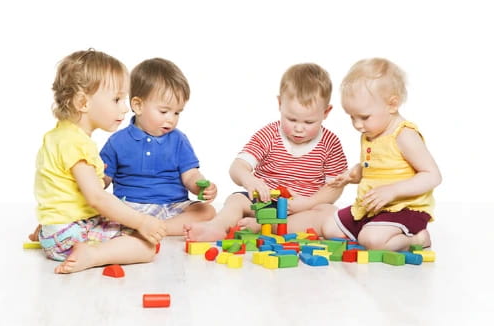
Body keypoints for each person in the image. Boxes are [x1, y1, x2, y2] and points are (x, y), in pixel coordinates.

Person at [34, 49, 167, 274]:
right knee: (146, 246)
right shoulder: (77, 144)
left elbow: (59, 188)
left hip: (56, 230)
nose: (125, 108)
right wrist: (141, 222)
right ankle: (93, 254)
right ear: (83, 102)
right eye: (116, 99)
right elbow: (97, 198)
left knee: (123, 221)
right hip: (70, 233)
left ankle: (50, 235)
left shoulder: (57, 136)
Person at [184, 63, 348, 241]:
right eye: (291, 119)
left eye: (309, 122)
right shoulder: (269, 135)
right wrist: (249, 180)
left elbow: (335, 187)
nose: (299, 128)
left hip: (302, 209)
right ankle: (216, 227)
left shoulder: (331, 143)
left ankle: (265, 227)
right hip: (264, 202)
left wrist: (308, 203)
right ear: (280, 104)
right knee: (236, 200)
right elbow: (237, 167)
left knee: (329, 212)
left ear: (326, 112)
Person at [317, 57, 441, 251]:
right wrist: (353, 175)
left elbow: (433, 176)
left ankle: (416, 239)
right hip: (371, 207)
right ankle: (372, 230)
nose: (357, 125)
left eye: (364, 117)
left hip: (404, 208)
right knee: (329, 228)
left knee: (372, 241)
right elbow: (375, 167)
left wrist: (393, 190)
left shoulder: (404, 135)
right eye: (352, 117)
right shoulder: (371, 133)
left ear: (392, 105)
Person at [100, 58, 217, 236]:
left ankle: (161, 228)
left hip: (173, 206)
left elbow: (190, 174)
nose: (171, 119)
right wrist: (95, 179)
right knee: (105, 211)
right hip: (131, 208)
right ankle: (142, 226)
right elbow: (104, 180)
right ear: (138, 106)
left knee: (207, 212)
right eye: (164, 111)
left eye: (177, 112)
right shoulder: (117, 141)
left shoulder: (179, 140)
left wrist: (201, 187)